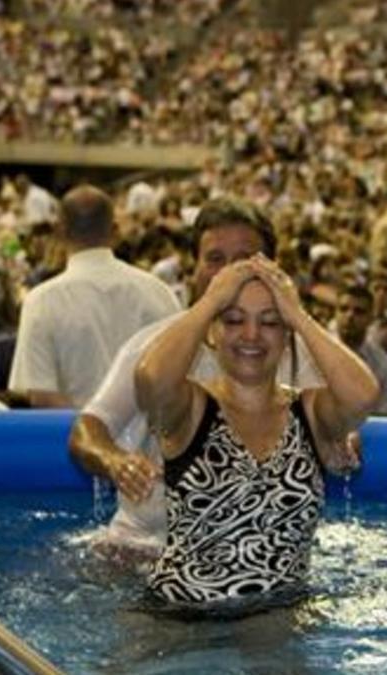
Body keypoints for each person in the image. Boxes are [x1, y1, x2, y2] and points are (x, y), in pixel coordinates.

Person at [67, 198, 326, 559]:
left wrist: (343, 439)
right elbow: (87, 430)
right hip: (144, 548)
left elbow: (341, 418)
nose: (227, 273)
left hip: (255, 555)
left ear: (271, 268)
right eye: (215, 259)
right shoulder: (153, 346)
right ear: (195, 268)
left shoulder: (294, 349)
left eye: (243, 260)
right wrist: (115, 461)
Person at [136, 254, 378, 612]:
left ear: (287, 337)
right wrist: (211, 301)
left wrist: (298, 314)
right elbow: (151, 379)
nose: (251, 335)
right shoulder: (192, 408)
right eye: (233, 320)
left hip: (278, 619)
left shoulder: (309, 413)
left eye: (270, 323)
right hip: (179, 619)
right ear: (212, 334)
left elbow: (363, 395)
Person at [9, 185, 182, 407]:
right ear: (116, 231)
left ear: (60, 232)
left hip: (74, 437)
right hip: (147, 438)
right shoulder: (159, 292)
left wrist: (92, 434)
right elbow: (176, 381)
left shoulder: (40, 301)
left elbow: (43, 396)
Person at [334, 284, 387, 417]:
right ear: (335, 313)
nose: (349, 316)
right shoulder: (311, 352)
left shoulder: (385, 366)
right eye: (343, 309)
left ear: (371, 318)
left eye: (359, 311)